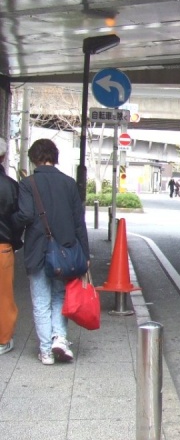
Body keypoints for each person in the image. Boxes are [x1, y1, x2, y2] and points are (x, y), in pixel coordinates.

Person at [13, 139, 90, 366]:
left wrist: (10, 223)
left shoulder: (28, 184)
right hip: (65, 252)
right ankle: (60, 338)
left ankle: (46, 351)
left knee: (40, 301)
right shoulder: (69, 183)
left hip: (38, 251)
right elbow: (79, 222)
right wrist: (84, 255)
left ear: (34, 158)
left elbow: (25, 215)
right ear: (55, 157)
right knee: (59, 296)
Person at [0, 139, 24, 356]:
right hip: (3, 248)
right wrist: (15, 241)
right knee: (4, 297)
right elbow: (20, 218)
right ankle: (4, 340)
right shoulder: (10, 186)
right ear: (4, 157)